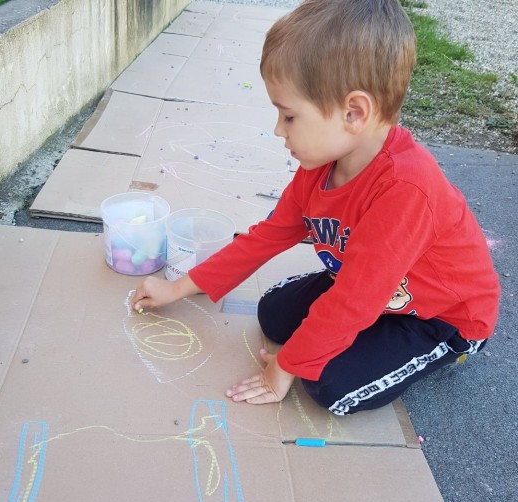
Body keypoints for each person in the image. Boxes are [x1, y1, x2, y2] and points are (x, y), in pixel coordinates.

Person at [131, 0, 500, 416]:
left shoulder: (406, 190)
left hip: (437, 316)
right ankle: (351, 330)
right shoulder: (321, 167)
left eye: (289, 116)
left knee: (329, 386)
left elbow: (355, 301)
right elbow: (266, 238)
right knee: (273, 313)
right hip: (372, 289)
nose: (278, 130)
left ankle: (450, 350)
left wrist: (286, 366)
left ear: (353, 113)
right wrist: (179, 287)